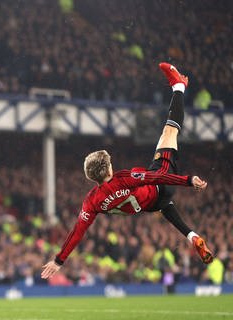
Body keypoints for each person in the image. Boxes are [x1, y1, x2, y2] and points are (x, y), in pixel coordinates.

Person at [41, 63, 214, 279]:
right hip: (161, 184)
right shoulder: (123, 178)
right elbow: (157, 176)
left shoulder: (92, 201)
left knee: (165, 206)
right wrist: (188, 180)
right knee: (169, 132)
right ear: (109, 168)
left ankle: (192, 236)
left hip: (151, 205)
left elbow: (77, 232)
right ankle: (179, 86)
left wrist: (59, 260)